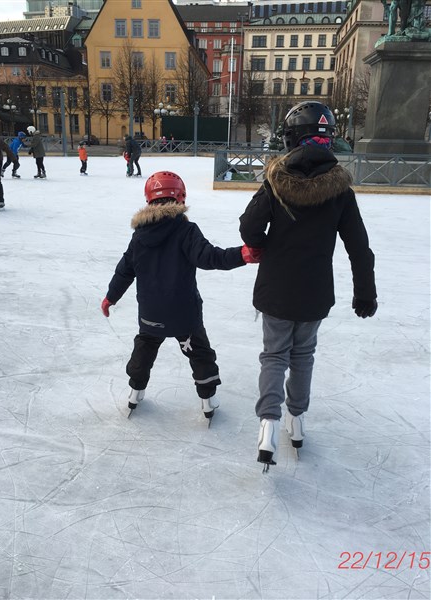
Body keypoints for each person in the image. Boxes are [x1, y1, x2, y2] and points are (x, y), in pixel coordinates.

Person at [239, 101, 377, 470]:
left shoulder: (276, 181)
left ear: (291, 138)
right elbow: (359, 248)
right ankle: (296, 421)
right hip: (315, 293)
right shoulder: (340, 190)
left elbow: (249, 227)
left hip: (276, 289)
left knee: (274, 356)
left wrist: (263, 246)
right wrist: (365, 292)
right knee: (302, 356)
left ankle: (268, 425)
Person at [101, 170, 260, 421]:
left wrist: (111, 296)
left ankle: (135, 391)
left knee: (145, 348)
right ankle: (207, 399)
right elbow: (210, 257)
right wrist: (242, 254)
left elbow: (125, 269)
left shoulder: (139, 236)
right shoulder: (186, 230)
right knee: (199, 352)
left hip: (151, 314)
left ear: (149, 199)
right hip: (183, 314)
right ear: (180, 197)